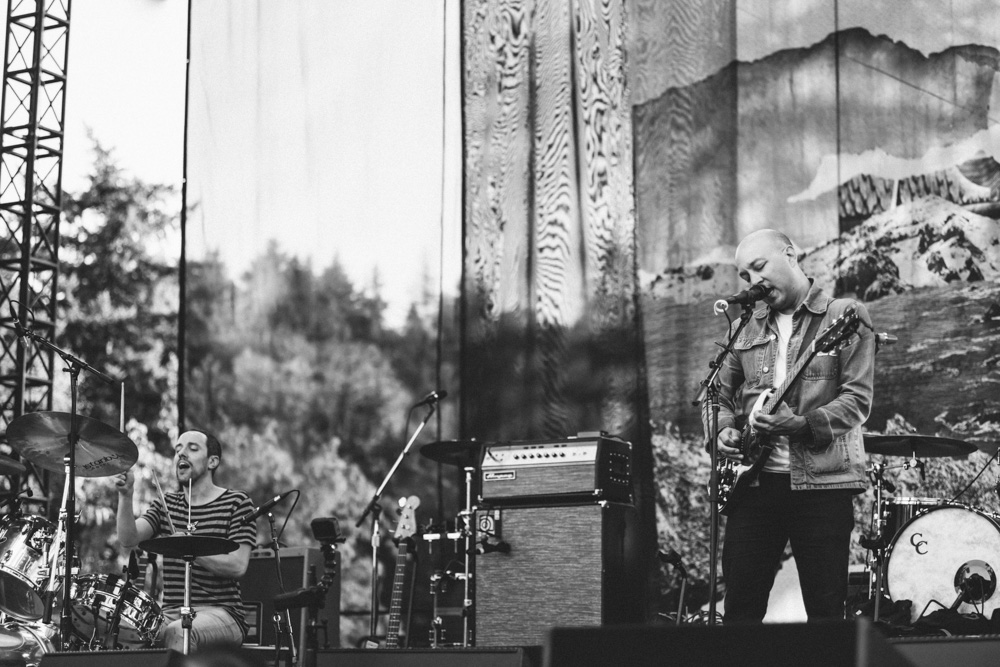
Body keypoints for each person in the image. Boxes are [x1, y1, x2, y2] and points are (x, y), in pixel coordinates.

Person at [708, 228, 875, 622]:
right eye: (745, 276)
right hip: (754, 484)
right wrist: (722, 430)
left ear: (790, 254)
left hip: (821, 487)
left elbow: (857, 400)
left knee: (825, 612)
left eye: (759, 267)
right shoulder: (743, 328)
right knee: (740, 612)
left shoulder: (844, 316)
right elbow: (716, 394)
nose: (753, 281)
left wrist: (800, 425)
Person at [116, 429, 257, 651]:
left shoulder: (236, 502)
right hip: (171, 610)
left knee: (178, 631)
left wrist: (189, 549)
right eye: (178, 449)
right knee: (123, 630)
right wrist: (125, 496)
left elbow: (238, 566)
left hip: (222, 613)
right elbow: (128, 538)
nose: (182, 454)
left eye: (192, 448)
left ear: (212, 461)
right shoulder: (167, 504)